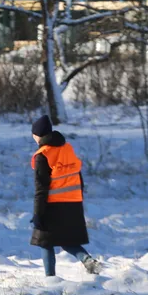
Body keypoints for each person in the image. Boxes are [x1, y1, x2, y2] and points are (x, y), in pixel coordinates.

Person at [30, 115, 101, 277]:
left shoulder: (43, 155)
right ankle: (88, 261)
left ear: (37, 135)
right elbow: (78, 177)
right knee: (67, 241)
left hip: (52, 204)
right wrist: (77, 198)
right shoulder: (67, 149)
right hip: (73, 202)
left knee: (45, 242)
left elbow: (41, 188)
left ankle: (50, 278)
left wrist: (37, 213)